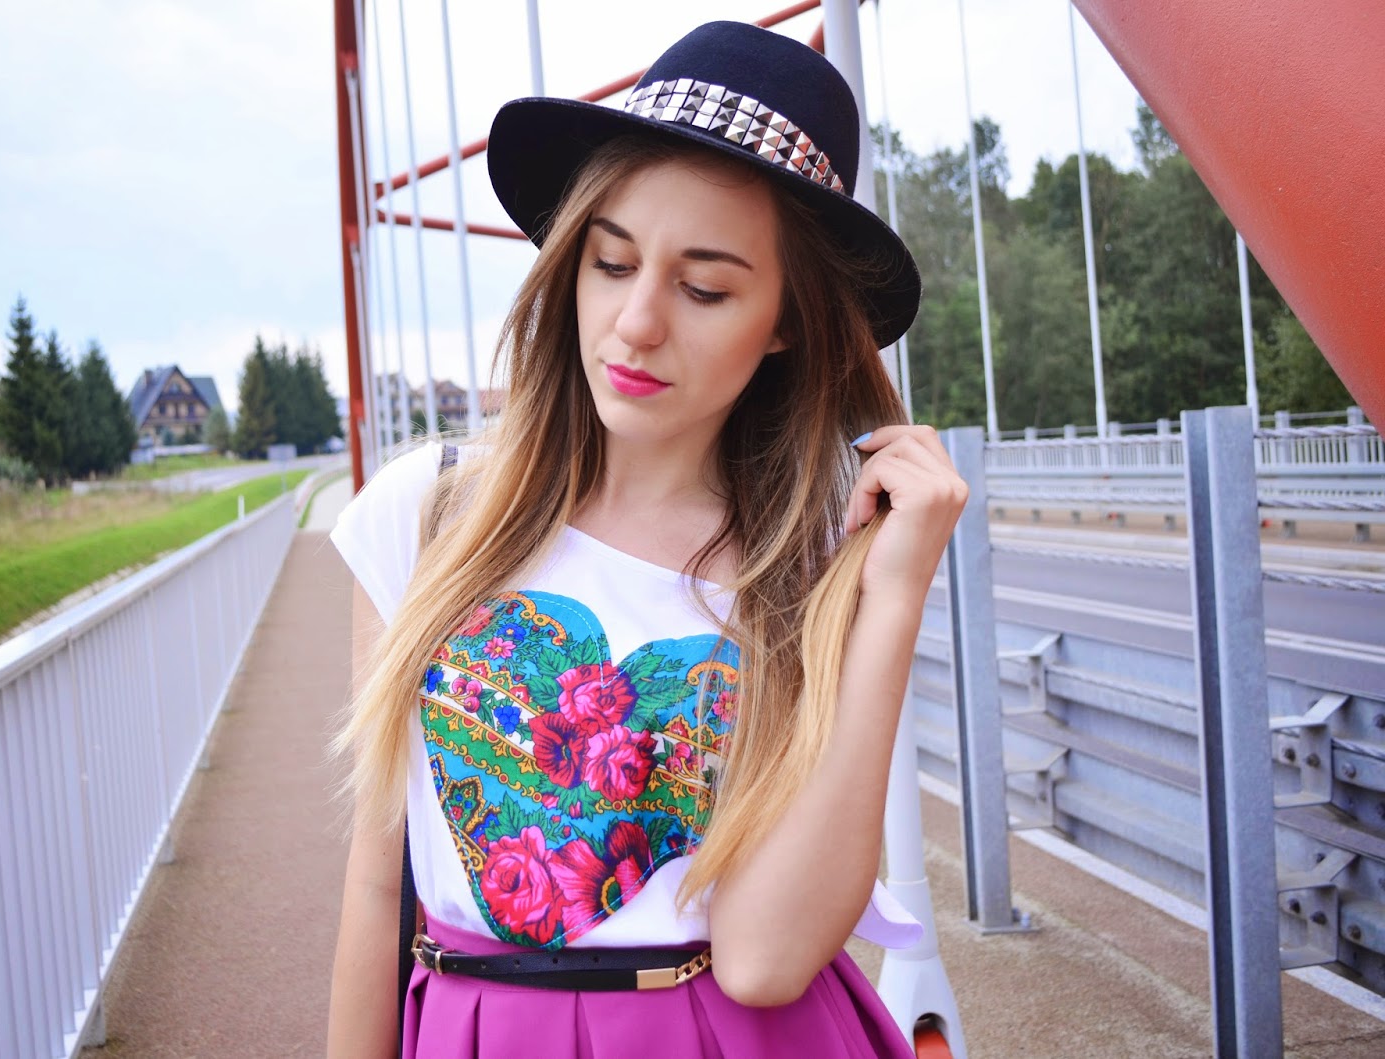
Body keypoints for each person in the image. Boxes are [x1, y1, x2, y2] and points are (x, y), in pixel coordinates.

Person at [326, 20, 968, 1059]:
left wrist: (890, 598)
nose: (634, 322)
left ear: (786, 322)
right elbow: (373, 880)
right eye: (611, 261)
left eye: (703, 287)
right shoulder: (425, 512)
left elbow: (764, 959)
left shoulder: (809, 561)